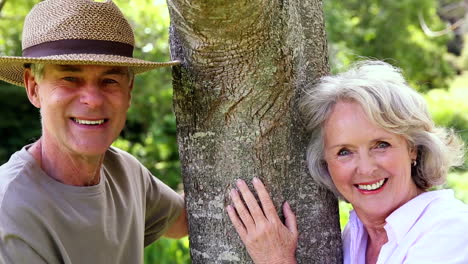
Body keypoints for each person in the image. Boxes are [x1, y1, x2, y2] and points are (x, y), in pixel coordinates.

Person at [0, 0, 188, 263]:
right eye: (70, 78)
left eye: (109, 80)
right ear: (33, 87)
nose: (93, 99)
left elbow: (192, 219)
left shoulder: (125, 173)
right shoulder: (10, 209)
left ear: (128, 90)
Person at [227, 60, 468, 264]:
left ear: (412, 148)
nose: (365, 168)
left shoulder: (451, 229)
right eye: (344, 151)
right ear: (325, 163)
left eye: (381, 145)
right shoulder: (353, 236)